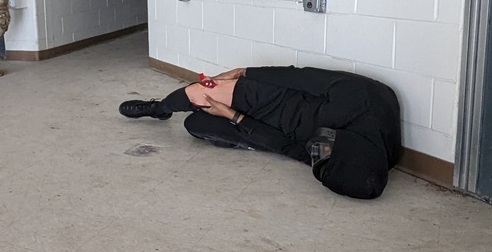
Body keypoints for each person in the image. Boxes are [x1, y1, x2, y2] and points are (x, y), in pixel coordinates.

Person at [119, 66, 402, 199]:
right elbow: (302, 77)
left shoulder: (334, 162)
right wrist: (246, 73)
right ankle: (159, 108)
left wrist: (235, 117)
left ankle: (237, 135)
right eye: (323, 149)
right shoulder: (367, 99)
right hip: (279, 97)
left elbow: (286, 147)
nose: (316, 150)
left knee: (195, 126)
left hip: (274, 129)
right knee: (200, 93)